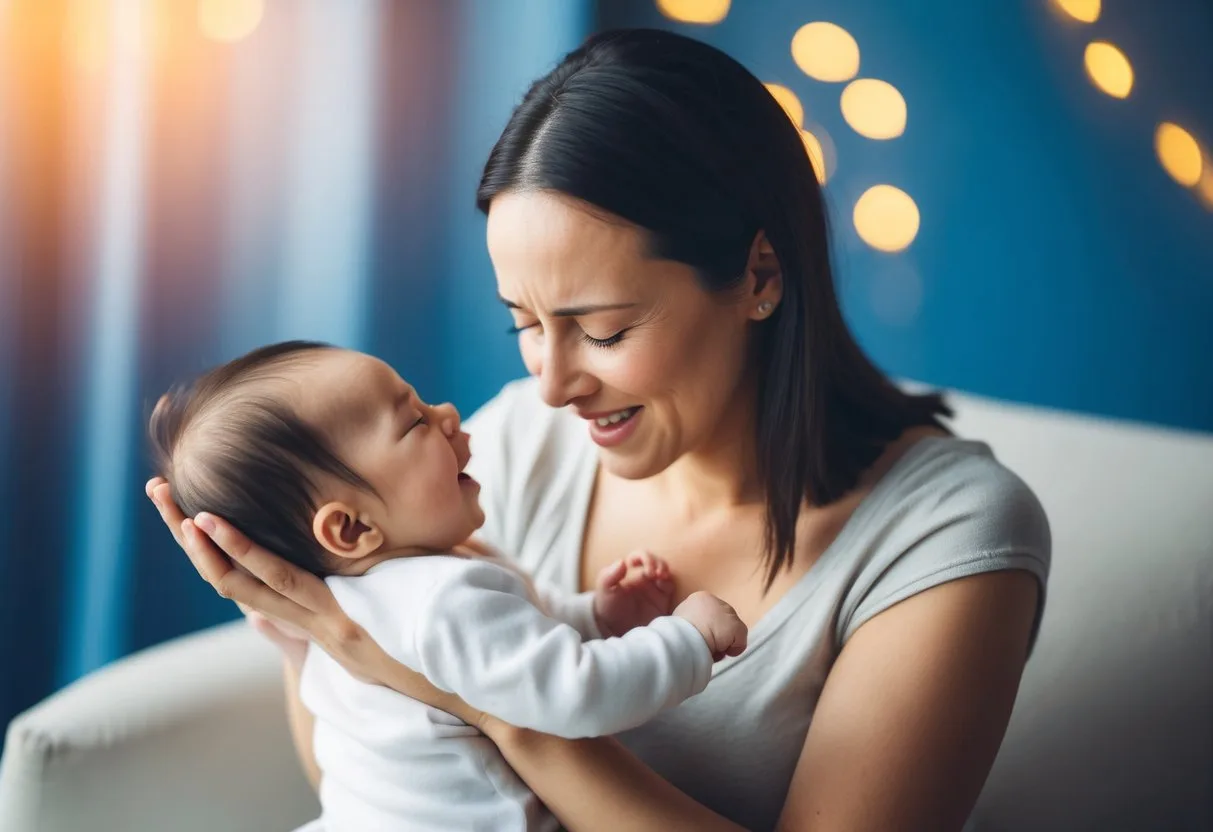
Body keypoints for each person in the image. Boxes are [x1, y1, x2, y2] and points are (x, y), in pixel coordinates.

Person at [148, 28, 1050, 832]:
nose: (549, 387)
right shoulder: (510, 451)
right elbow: (383, 789)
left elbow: (484, 692)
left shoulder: (944, 541)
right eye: (523, 324)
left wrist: (498, 709)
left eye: (605, 330)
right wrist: (308, 631)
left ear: (759, 277)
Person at [148, 339, 747, 831]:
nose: (448, 415)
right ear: (351, 527)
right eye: (413, 421)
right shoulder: (438, 601)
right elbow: (575, 691)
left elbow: (524, 634)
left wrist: (598, 614)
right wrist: (687, 640)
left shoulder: (353, 600)